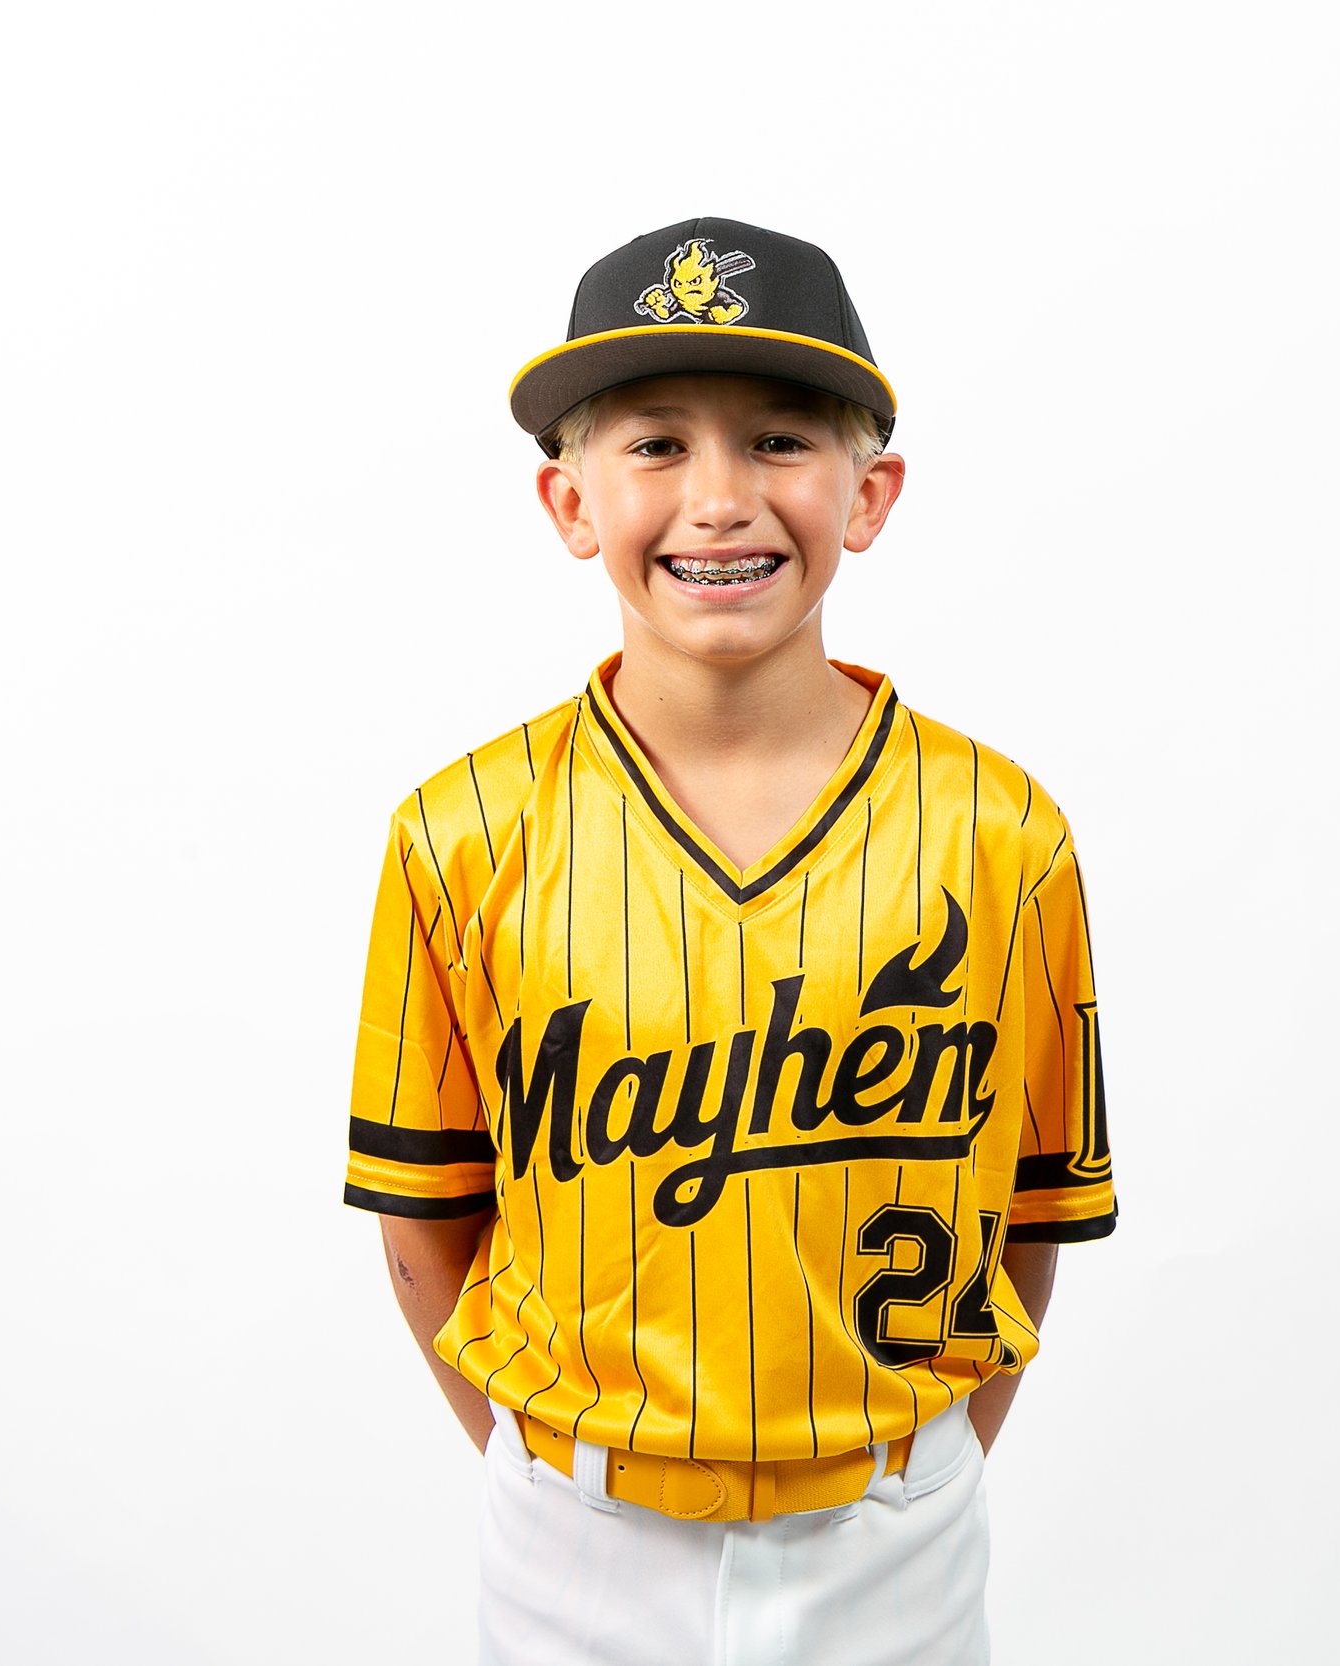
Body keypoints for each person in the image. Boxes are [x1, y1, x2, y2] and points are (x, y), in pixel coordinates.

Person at [343, 216, 1117, 1666]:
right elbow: (425, 1221)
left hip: (897, 1519)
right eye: (653, 445)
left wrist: (920, 1464)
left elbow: (1031, 1215)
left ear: (868, 491)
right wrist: (547, 1464)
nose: (719, 499)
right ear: (568, 499)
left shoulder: (1002, 833)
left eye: (777, 441)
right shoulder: (462, 832)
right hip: (578, 1531)